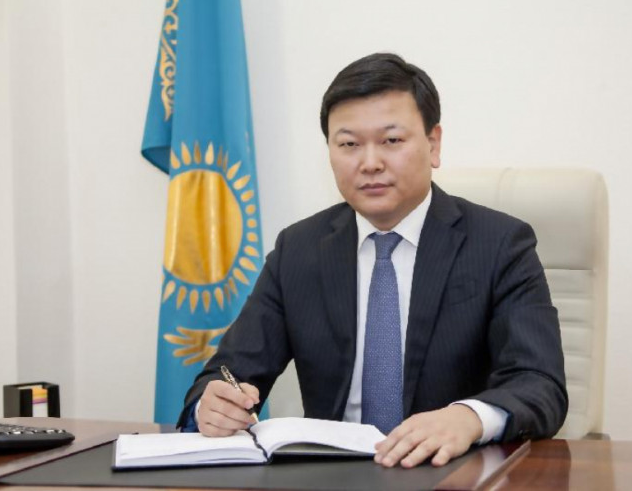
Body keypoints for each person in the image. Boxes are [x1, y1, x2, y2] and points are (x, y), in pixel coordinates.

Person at [178, 52, 568, 468]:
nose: (370, 163)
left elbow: (539, 383)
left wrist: (468, 418)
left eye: (391, 141)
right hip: (333, 476)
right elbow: (226, 374)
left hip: (452, 471)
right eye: (349, 144)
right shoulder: (299, 250)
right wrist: (211, 406)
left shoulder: (500, 245)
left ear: (433, 144)